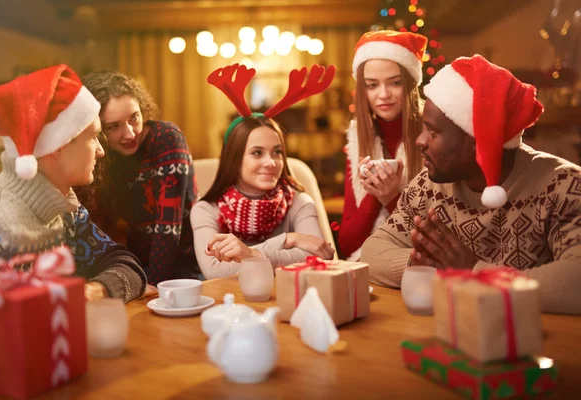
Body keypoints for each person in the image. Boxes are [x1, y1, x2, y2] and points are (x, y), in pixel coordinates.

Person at [361, 55, 581, 315]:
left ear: (478, 142)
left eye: (432, 132)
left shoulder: (563, 185)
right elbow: (372, 253)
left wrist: (474, 273)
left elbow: (575, 281)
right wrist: (423, 264)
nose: (420, 140)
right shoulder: (426, 186)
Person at [0, 65, 147, 302]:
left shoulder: (64, 207)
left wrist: (94, 290)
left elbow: (126, 265)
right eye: (92, 138)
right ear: (57, 147)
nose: (101, 151)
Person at [190, 63, 336, 279]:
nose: (271, 162)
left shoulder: (299, 202)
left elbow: (320, 258)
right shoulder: (205, 209)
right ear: (234, 158)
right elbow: (215, 271)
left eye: (277, 152)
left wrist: (249, 254)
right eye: (257, 153)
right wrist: (288, 240)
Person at [79, 71, 199, 285]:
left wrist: (151, 286)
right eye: (113, 126)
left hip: (185, 263)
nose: (130, 134)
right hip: (134, 265)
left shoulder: (166, 138)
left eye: (133, 118)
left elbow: (168, 229)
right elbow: (99, 226)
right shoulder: (100, 154)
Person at [339, 30, 427, 260]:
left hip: (416, 264)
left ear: (409, 84)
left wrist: (390, 196)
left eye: (395, 83)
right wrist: (376, 192)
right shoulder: (358, 138)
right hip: (368, 266)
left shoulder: (433, 134)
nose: (383, 94)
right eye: (372, 85)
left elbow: (434, 238)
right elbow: (347, 244)